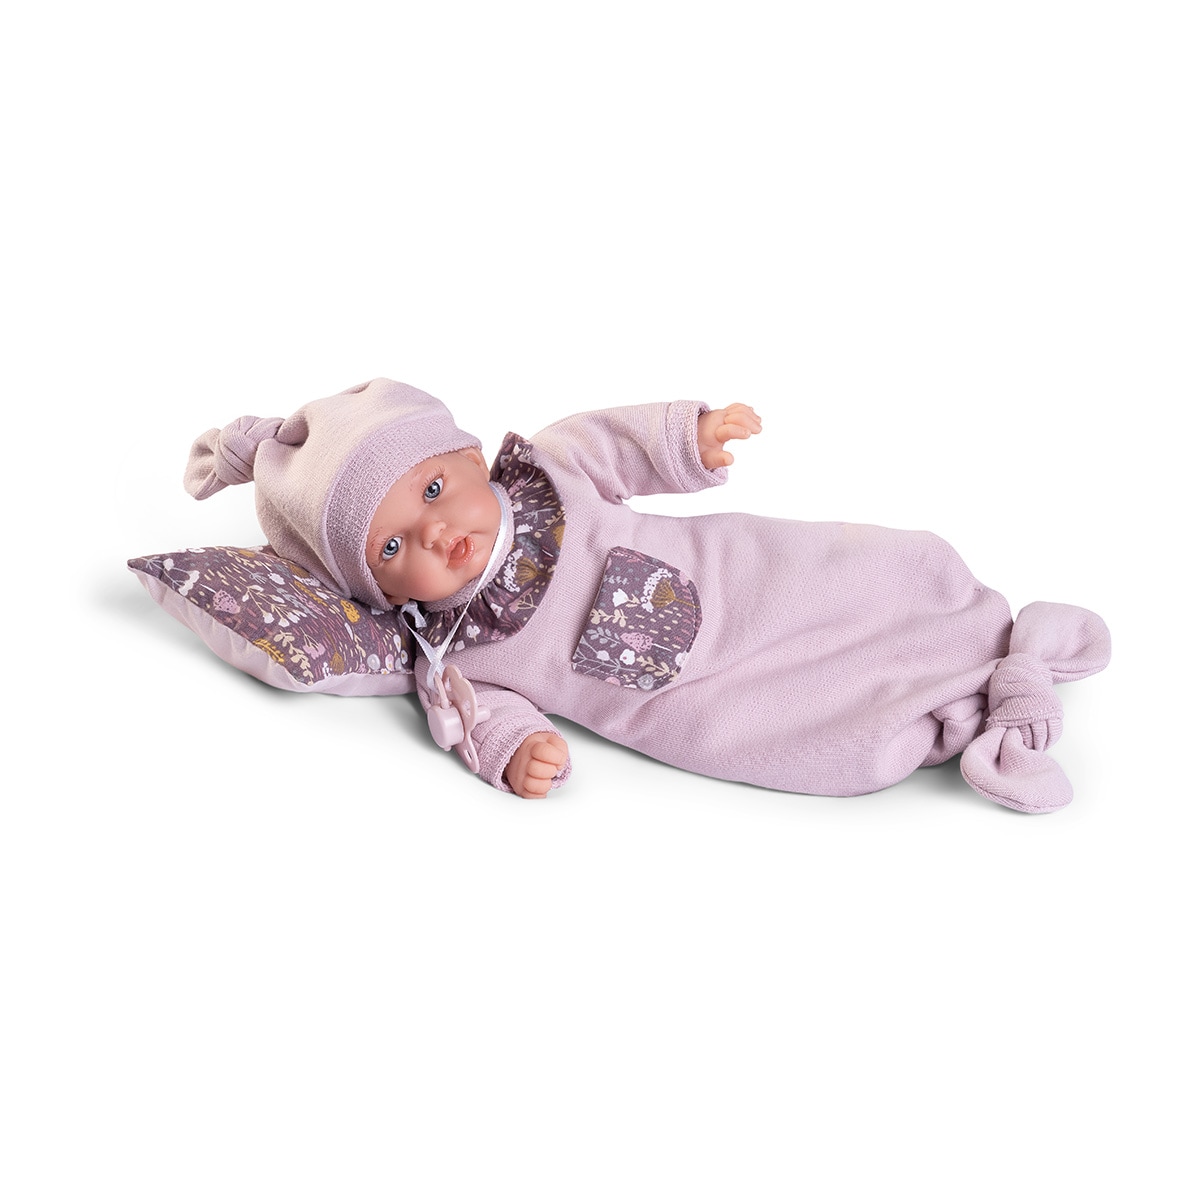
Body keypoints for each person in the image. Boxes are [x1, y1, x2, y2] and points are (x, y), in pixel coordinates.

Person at [185, 378, 1110, 813]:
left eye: (433, 490)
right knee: (808, 733)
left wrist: (690, 437)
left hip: (747, 577)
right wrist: (514, 751)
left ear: (466, 457)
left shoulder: (547, 472)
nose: (434, 533)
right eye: (393, 547)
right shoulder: (451, 645)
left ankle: (970, 638)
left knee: (855, 569)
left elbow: (618, 444)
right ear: (379, 589)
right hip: (692, 700)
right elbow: (475, 714)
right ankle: (938, 713)